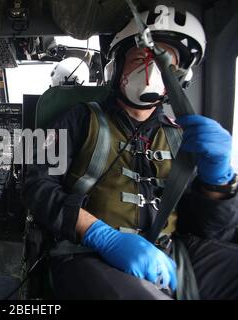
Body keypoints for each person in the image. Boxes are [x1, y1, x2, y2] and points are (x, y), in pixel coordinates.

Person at [22, 6, 238, 299]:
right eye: (140, 58)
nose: (150, 72)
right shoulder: (77, 118)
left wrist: (218, 181)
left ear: (178, 77)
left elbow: (210, 232)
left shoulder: (179, 135)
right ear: (118, 64)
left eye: (164, 65)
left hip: (173, 253)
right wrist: (101, 235)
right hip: (88, 253)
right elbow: (36, 186)